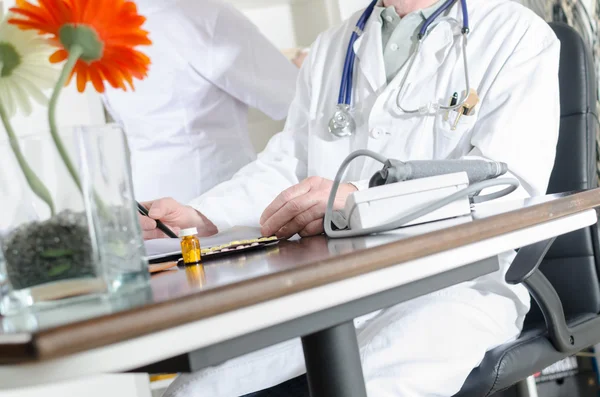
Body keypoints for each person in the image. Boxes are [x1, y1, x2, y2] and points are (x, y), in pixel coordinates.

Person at [141, 0, 561, 394]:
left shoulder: (515, 34)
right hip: (336, 291)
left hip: (457, 286)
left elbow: (505, 187)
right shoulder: (333, 46)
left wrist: (361, 199)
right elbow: (290, 163)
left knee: (373, 386)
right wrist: (203, 214)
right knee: (194, 388)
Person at [102, 0, 299, 204]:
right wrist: (305, 65)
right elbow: (293, 96)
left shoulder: (104, 23)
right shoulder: (203, 14)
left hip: (146, 199)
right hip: (217, 198)